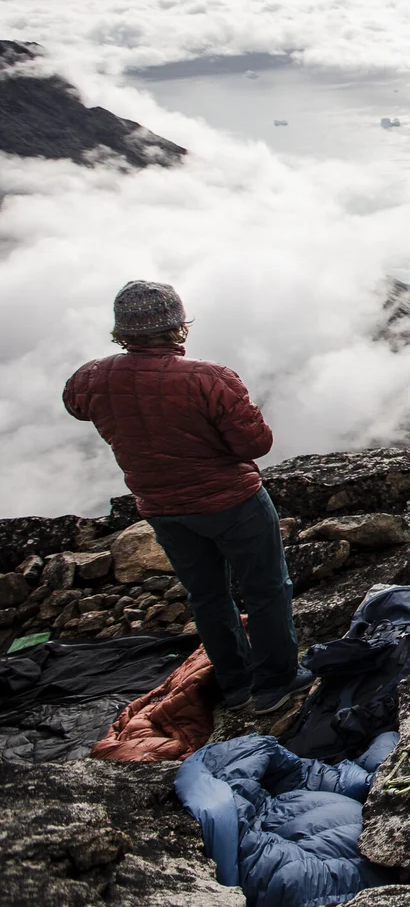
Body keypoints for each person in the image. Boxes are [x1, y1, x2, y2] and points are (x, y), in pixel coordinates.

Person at [63, 281, 310, 715]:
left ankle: (235, 686)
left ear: (122, 331)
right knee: (266, 589)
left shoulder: (91, 377)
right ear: (178, 326)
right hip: (233, 502)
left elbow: (76, 404)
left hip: (163, 508)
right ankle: (275, 684)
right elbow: (255, 444)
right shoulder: (209, 378)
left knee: (207, 596)